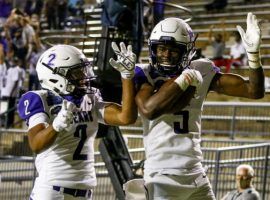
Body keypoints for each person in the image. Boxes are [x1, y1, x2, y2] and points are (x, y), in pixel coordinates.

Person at [132, 13, 264, 199]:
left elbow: (253, 91)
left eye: (173, 50)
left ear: (187, 51)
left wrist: (253, 56)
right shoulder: (144, 74)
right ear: (153, 48)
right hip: (161, 175)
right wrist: (185, 79)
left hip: (195, 173)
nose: (166, 55)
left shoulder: (201, 69)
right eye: (161, 49)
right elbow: (149, 110)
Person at [17, 43, 137, 199]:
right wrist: (57, 125)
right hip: (52, 192)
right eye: (77, 73)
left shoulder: (89, 98)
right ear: (56, 76)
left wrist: (127, 77)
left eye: (84, 70)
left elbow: (126, 117)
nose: (84, 77)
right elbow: (36, 145)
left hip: (85, 192)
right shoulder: (41, 99)